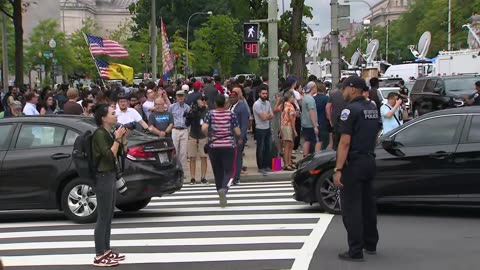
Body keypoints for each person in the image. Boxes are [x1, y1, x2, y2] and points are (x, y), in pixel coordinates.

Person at [333, 76, 380, 262]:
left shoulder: (349, 110)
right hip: (369, 160)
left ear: (352, 89)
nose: (342, 92)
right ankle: (371, 243)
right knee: (368, 205)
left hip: (354, 163)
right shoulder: (372, 108)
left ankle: (355, 250)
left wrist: (338, 169)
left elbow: (344, 142)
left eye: (343, 89)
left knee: (352, 208)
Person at [91, 104, 127, 267]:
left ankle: (106, 250)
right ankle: (99, 254)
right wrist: (118, 138)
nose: (116, 115)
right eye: (113, 113)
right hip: (103, 176)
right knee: (103, 216)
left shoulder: (108, 132)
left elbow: (120, 153)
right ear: (104, 118)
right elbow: (108, 155)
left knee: (109, 214)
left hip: (110, 175)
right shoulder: (99, 134)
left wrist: (121, 138)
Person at [202, 95, 241, 207]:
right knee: (229, 171)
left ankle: (219, 190)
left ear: (215, 103)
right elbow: (237, 132)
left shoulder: (210, 114)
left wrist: (209, 135)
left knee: (217, 171)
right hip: (228, 145)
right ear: (225, 103)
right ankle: (224, 188)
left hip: (214, 146)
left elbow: (204, 128)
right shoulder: (231, 114)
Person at [229, 87, 250, 184]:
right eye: (230, 98)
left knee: (237, 157)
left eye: (233, 97)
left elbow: (244, 124)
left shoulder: (242, 107)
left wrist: (241, 137)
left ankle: (236, 177)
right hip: (230, 136)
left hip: (238, 137)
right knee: (232, 157)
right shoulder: (231, 107)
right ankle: (232, 175)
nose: (231, 99)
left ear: (237, 97)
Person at [186, 95, 208, 185]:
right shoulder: (192, 110)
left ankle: (203, 177)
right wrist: (190, 114)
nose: (203, 101)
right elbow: (187, 123)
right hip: (193, 135)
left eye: (204, 99)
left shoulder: (206, 111)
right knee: (192, 157)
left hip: (203, 135)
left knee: (204, 157)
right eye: (201, 99)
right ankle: (192, 177)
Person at [253, 87, 274, 175]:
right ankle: (261, 166)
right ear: (259, 94)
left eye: (266, 93)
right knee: (260, 148)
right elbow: (263, 117)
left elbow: (271, 115)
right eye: (263, 93)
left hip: (267, 127)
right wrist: (267, 116)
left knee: (268, 148)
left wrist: (267, 116)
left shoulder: (268, 103)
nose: (265, 95)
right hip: (260, 128)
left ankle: (267, 165)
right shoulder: (257, 104)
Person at [169, 90, 191, 172]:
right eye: (178, 96)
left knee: (183, 152)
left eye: (182, 96)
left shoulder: (187, 107)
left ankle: (182, 171)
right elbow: (169, 117)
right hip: (175, 130)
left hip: (184, 130)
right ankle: (174, 170)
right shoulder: (172, 107)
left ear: (184, 97)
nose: (180, 97)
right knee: (175, 151)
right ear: (176, 97)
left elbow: (189, 120)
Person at [301, 81, 320, 156]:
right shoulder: (310, 99)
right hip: (310, 124)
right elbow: (311, 112)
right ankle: (316, 158)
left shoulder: (305, 98)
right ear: (313, 88)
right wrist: (315, 126)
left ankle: (305, 156)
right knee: (315, 141)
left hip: (305, 123)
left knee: (307, 140)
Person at [280, 92, 297, 170]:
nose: (294, 98)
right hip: (288, 126)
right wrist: (294, 130)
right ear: (290, 97)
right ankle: (287, 163)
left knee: (288, 145)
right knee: (288, 146)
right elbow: (292, 119)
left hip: (284, 126)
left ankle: (288, 162)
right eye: (293, 97)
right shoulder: (291, 106)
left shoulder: (284, 105)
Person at [314, 82, 332, 150]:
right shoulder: (327, 98)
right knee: (323, 141)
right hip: (324, 121)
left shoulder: (313, 99)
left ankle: (279, 160)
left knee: (317, 140)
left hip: (315, 121)